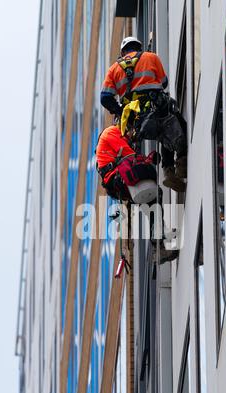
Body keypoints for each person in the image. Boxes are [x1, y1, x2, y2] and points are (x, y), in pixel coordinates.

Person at [100, 36, 187, 196]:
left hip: (134, 120)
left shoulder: (114, 69)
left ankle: (165, 173)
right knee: (176, 126)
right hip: (155, 108)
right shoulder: (150, 57)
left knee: (157, 137)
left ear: (123, 52)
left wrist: (119, 110)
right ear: (139, 48)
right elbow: (164, 82)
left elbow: (104, 97)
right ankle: (177, 166)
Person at [96, 124, 179, 264]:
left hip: (122, 181)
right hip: (120, 179)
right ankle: (158, 239)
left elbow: (132, 159)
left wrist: (149, 159)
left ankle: (159, 244)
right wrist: (147, 160)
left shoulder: (111, 143)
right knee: (152, 194)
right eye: (129, 130)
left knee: (153, 197)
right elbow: (130, 155)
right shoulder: (110, 132)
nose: (131, 134)